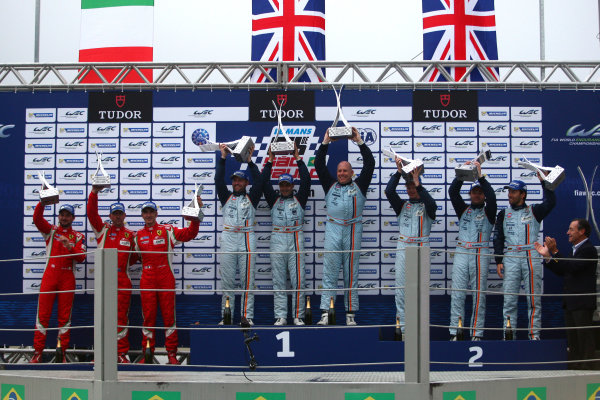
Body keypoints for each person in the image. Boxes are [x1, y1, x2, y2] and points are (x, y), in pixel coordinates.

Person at [315, 127, 375, 326]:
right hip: (333, 229)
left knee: (351, 273)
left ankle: (350, 315)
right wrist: (325, 142)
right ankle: (326, 313)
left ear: (352, 173)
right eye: (339, 171)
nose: (341, 174)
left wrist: (359, 141)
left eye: (345, 171)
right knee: (330, 273)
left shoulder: (360, 185)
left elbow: (370, 163)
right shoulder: (329, 184)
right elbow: (318, 164)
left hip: (353, 229)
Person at [134, 200, 201, 364]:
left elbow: (190, 234)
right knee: (148, 318)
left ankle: (172, 353)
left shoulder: (168, 230)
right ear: (142, 215)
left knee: (169, 317)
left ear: (156, 214)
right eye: (145, 212)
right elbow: (129, 258)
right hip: (147, 278)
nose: (148, 215)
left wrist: (194, 217)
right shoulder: (137, 236)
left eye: (151, 212)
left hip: (165, 277)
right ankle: (147, 352)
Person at [494, 177, 556, 340]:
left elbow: (551, 201)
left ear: (523, 194)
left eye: (513, 192)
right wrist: (499, 259)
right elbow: (498, 237)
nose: (509, 195)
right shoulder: (503, 213)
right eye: (509, 191)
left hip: (531, 255)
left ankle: (534, 336)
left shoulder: (534, 210)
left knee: (534, 300)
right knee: (509, 301)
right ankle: (508, 336)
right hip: (511, 256)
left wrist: (545, 182)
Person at [534, 218, 598, 369]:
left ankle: (587, 369)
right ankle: (575, 366)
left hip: (582, 302)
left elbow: (572, 267)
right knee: (573, 338)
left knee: (584, 337)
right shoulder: (574, 250)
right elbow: (562, 270)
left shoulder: (588, 249)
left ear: (582, 231)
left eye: (571, 229)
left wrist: (555, 251)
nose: (567, 232)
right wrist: (548, 257)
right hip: (570, 302)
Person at [384, 161, 436, 338]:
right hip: (404, 248)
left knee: (420, 292)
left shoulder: (427, 206)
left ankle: (419, 332)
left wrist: (417, 182)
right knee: (401, 291)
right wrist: (398, 173)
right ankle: (404, 331)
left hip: (421, 247)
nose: (410, 189)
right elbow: (389, 191)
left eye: (413, 185)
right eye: (408, 186)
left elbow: (433, 204)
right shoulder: (402, 205)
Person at [31, 202, 86, 363]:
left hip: (67, 277)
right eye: (62, 214)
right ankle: (37, 353)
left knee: (64, 318)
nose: (64, 217)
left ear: (73, 218)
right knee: (42, 316)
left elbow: (81, 257)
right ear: (59, 216)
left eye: (67, 215)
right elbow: (37, 218)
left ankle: (61, 353)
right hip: (50, 275)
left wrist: (69, 246)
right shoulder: (51, 231)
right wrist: (42, 202)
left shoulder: (77, 236)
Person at [87, 187, 138, 363]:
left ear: (124, 216)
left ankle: (121, 352)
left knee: (121, 317)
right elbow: (91, 213)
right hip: (104, 279)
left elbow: (135, 258)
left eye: (120, 214)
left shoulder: (131, 235)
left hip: (122, 279)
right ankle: (101, 352)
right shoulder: (102, 231)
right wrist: (94, 193)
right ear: (110, 216)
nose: (117, 216)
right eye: (114, 214)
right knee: (102, 316)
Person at [262, 144, 311, 326]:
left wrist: (297, 157)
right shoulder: (273, 199)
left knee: (299, 280)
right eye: (281, 185)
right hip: (277, 239)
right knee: (279, 280)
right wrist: (270, 160)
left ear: (292, 186)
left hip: (296, 239)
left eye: (287, 185)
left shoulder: (300, 198)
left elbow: (306, 179)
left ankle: (298, 315)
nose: (284, 188)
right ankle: (281, 316)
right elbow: (264, 182)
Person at [448, 161, 496, 341]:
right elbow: (452, 192)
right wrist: (463, 173)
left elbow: (493, 198)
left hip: (480, 253)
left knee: (478, 295)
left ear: (483, 196)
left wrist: (480, 176)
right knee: (457, 293)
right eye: (473, 192)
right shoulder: (463, 210)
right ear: (470, 194)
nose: (476, 195)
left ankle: (476, 334)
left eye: (479, 192)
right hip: (462, 252)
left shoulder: (490, 211)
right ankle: (456, 332)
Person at [215, 143, 263, 325]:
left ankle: (247, 317)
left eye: (240, 180)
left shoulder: (253, 196)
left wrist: (250, 162)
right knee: (227, 281)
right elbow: (218, 180)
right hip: (228, 238)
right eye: (234, 180)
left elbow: (260, 181)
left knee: (247, 282)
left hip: (246, 237)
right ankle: (226, 317)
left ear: (246, 183)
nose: (236, 183)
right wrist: (223, 157)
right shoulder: (226, 196)